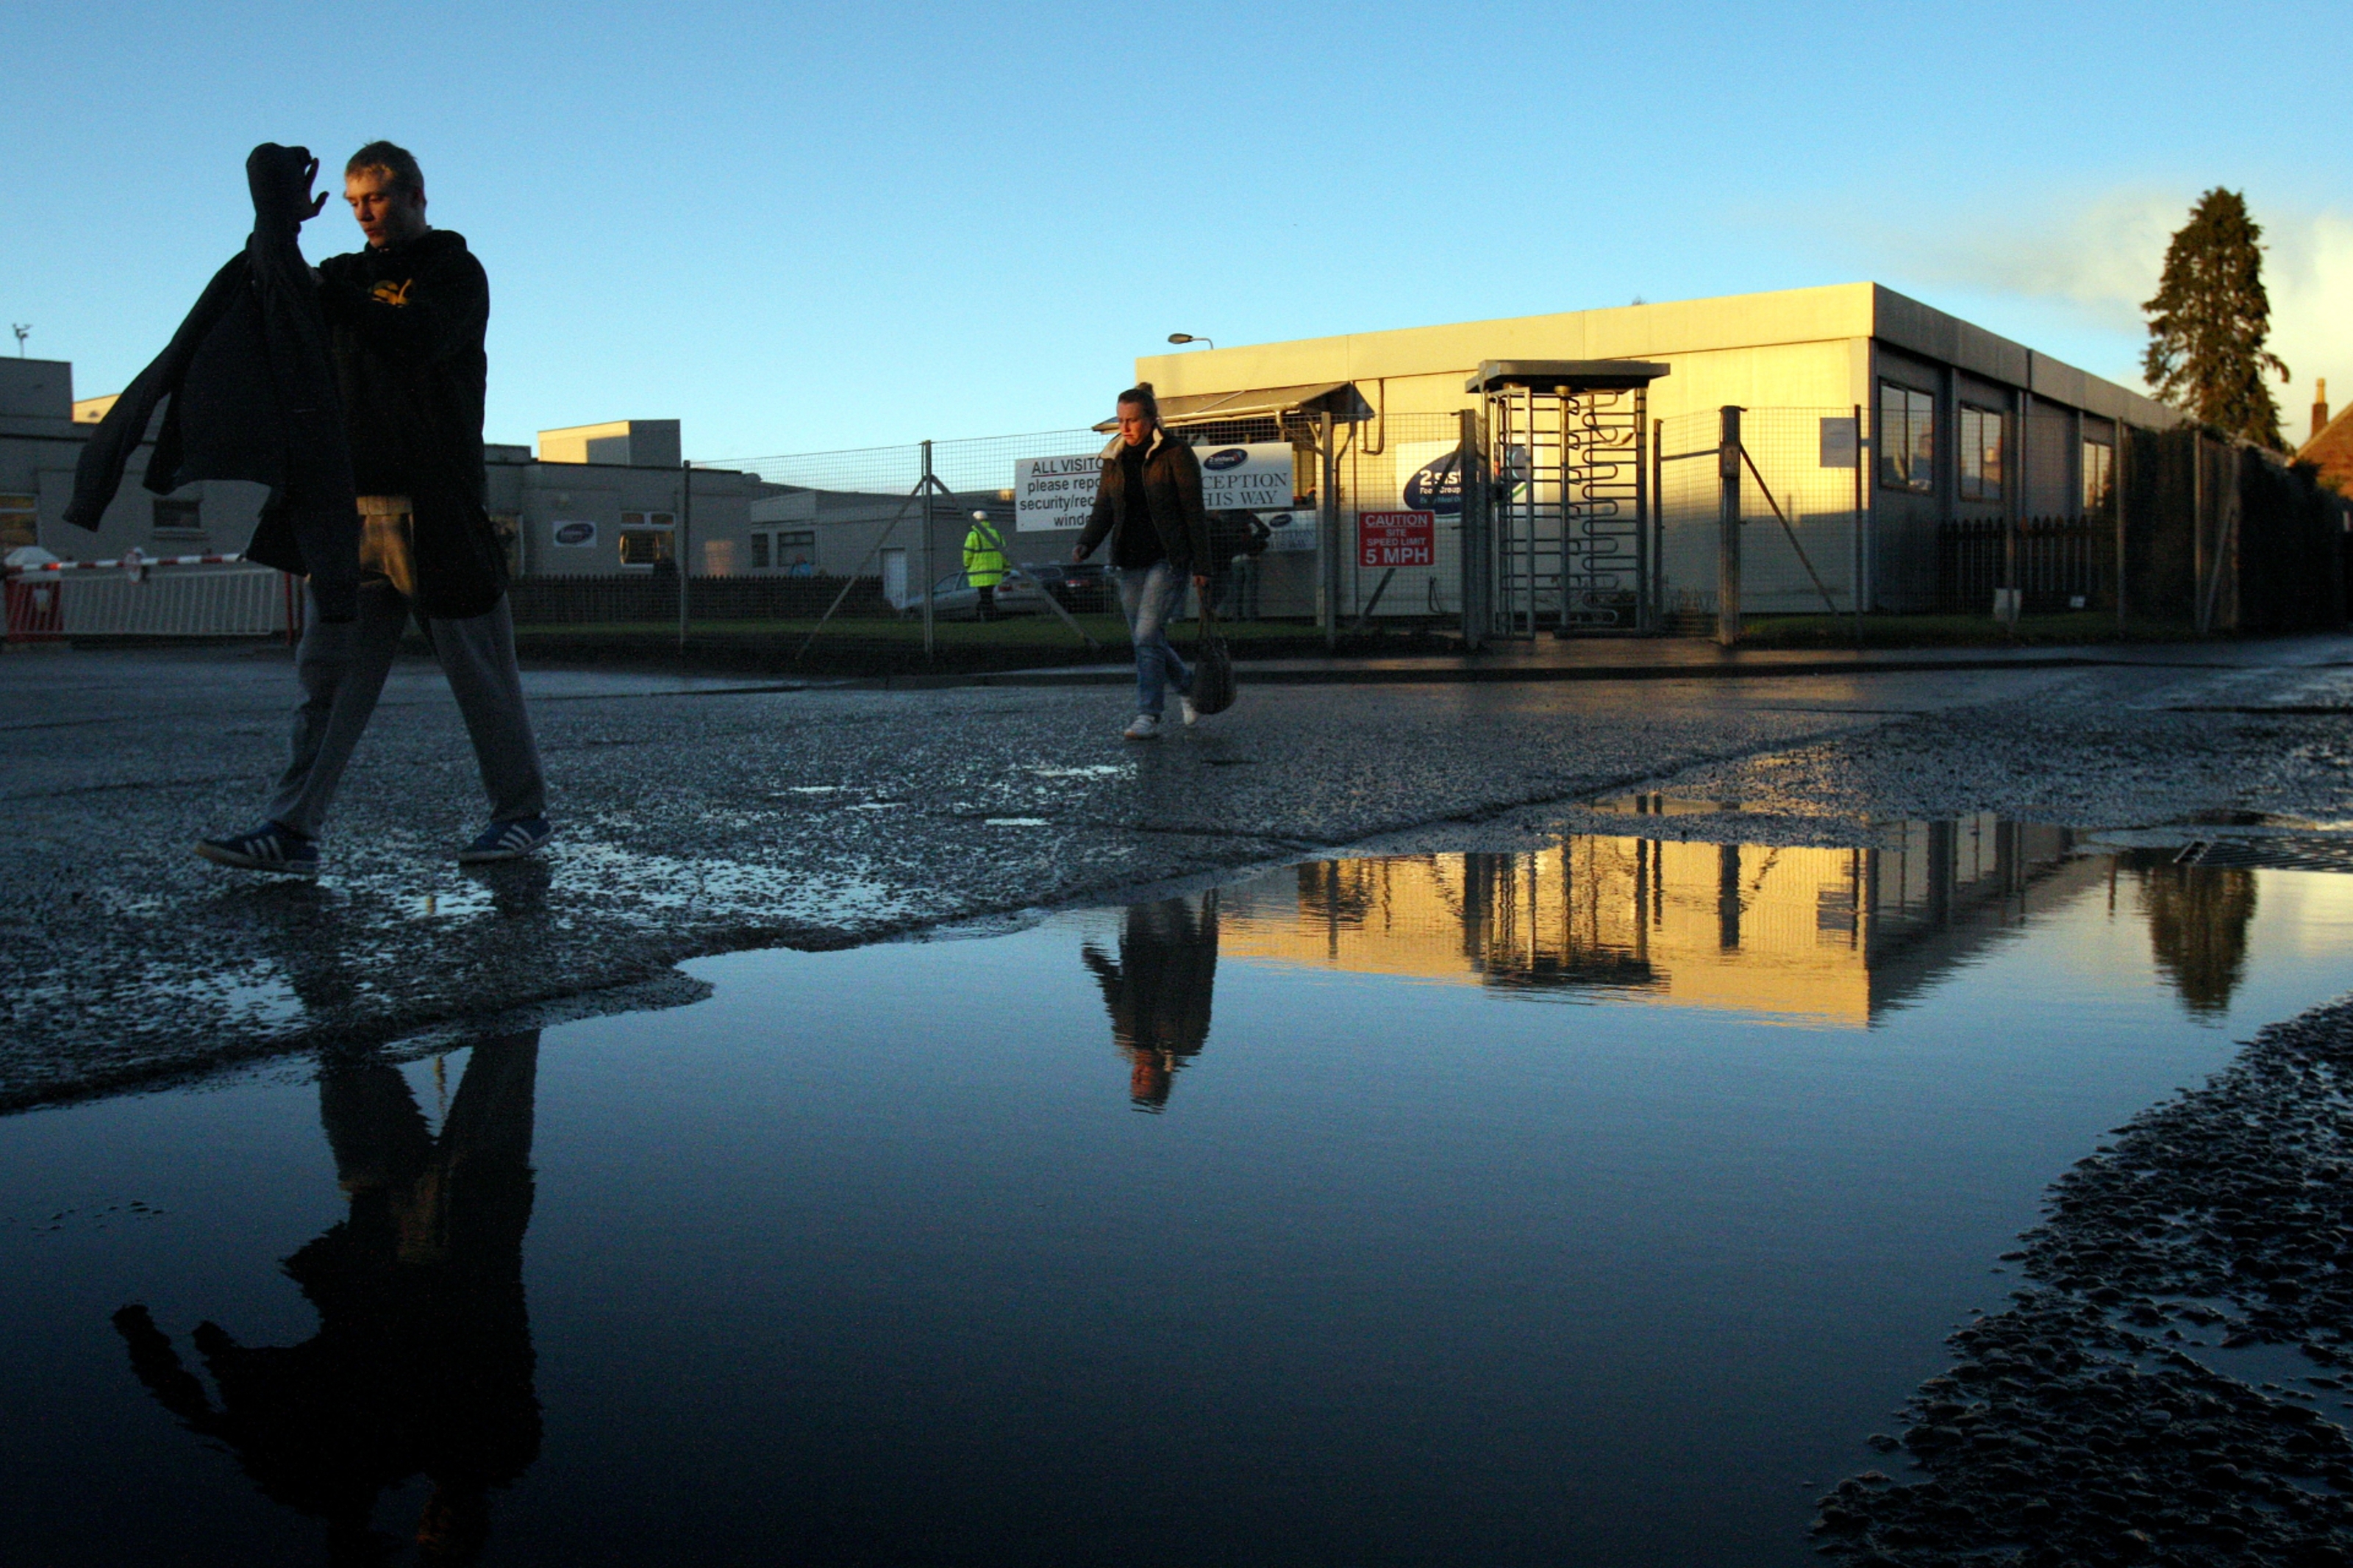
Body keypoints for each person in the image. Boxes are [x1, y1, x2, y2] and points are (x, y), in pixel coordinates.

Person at [196, 141, 549, 877]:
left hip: (435, 508)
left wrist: (337, 299)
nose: (365, 213)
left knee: (481, 676)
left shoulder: (454, 272)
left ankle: (520, 815)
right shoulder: (342, 278)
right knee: (328, 681)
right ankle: (292, 829)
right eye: (355, 202)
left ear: (417, 195)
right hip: (348, 512)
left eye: (378, 197)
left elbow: (415, 339)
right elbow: (272, 296)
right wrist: (275, 221)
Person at [1072, 384, 1213, 739]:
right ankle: (1186, 687)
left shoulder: (1176, 453)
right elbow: (1104, 506)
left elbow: (1193, 511)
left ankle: (1148, 715)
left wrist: (1202, 565)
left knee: (1147, 634)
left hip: (1167, 558)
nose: (1125, 428)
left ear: (1151, 420)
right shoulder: (1114, 457)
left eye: (1133, 420)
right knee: (1144, 638)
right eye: (1121, 420)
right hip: (1128, 559)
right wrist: (1087, 543)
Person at [963, 509, 1007, 620]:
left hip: (979, 573)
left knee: (984, 597)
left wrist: (967, 566)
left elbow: (968, 553)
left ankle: (988, 618)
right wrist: (1006, 567)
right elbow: (1005, 553)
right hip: (996, 572)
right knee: (990, 596)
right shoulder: (997, 534)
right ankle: (992, 617)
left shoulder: (974, 535)